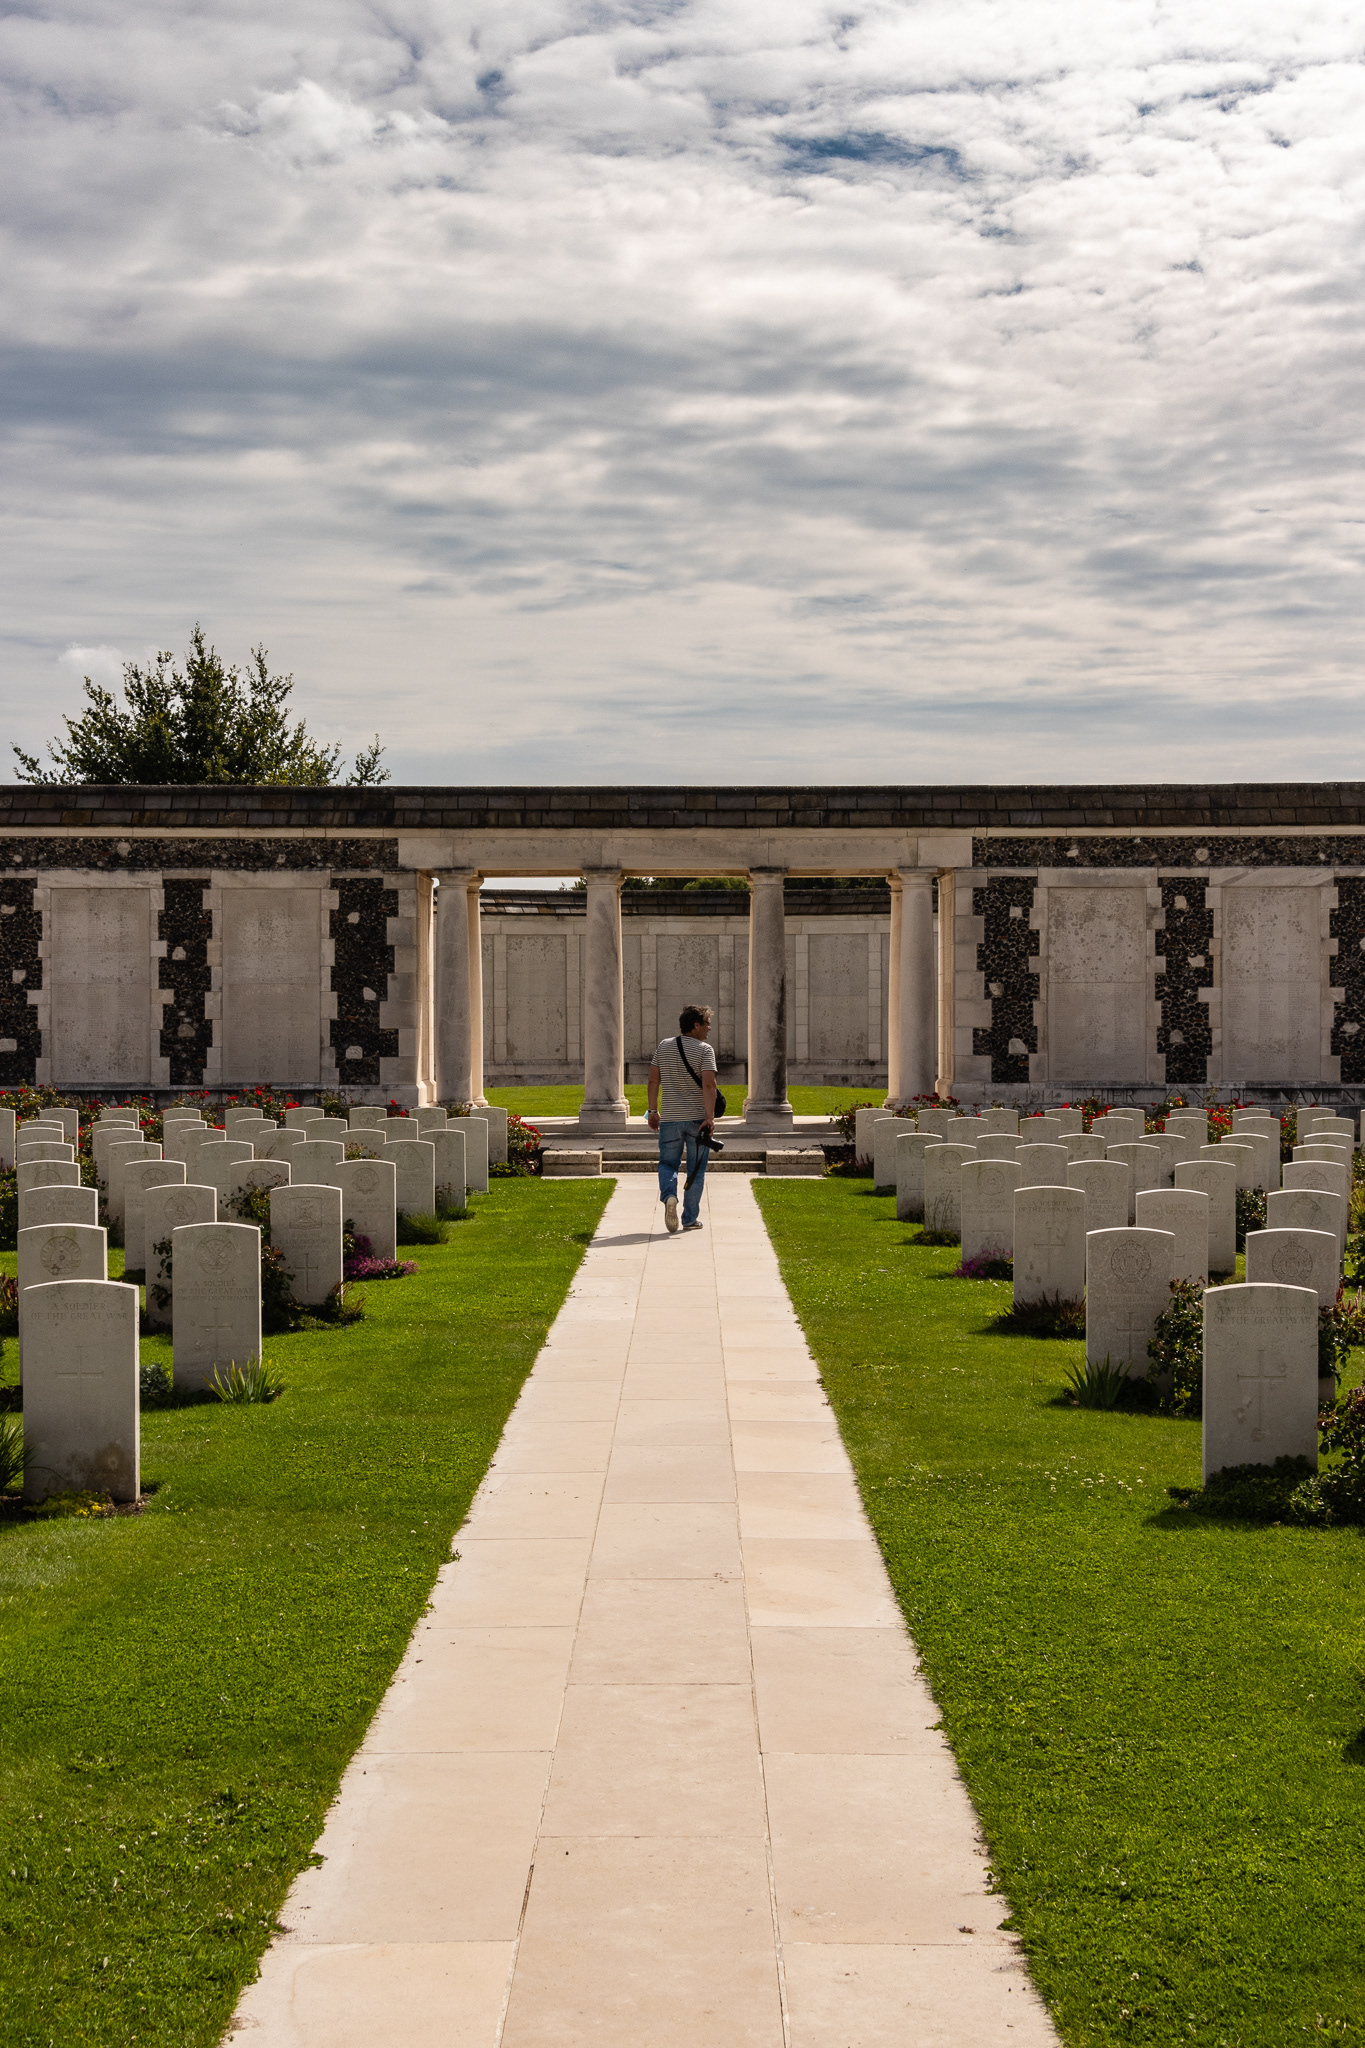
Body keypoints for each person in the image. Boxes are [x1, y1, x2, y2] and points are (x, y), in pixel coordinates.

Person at [647, 1004, 718, 1233]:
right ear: (695, 1025)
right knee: (696, 1169)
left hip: (670, 1119)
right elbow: (709, 1085)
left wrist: (653, 1111)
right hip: (698, 1120)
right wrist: (710, 1118)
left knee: (668, 1163)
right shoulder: (705, 1050)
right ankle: (689, 1219)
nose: (709, 1027)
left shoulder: (664, 1046)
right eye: (706, 1023)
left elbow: (653, 1081)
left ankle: (669, 1196)